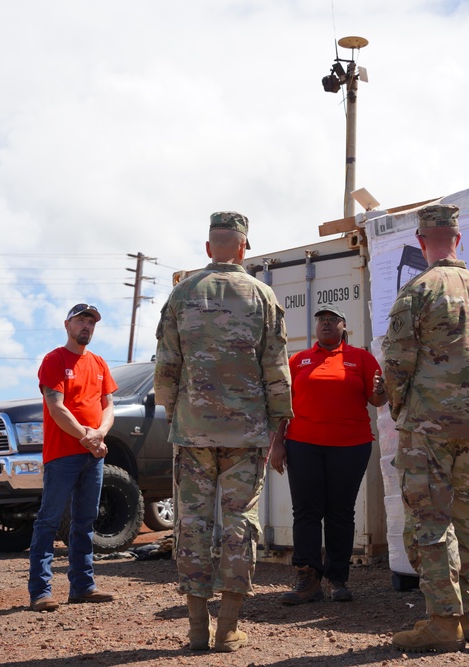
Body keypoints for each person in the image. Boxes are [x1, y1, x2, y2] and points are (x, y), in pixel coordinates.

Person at [154, 211, 292, 653]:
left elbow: (166, 369)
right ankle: (228, 628)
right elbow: (276, 370)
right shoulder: (262, 296)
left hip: (192, 432)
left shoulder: (182, 294)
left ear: (209, 247)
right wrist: (278, 426)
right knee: (239, 525)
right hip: (246, 433)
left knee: (192, 524)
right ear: (245, 247)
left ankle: (196, 628)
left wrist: (178, 416)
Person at [381, 203, 469, 653]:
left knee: (429, 521)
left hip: (428, 424)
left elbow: (396, 363)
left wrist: (400, 408)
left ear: (420, 239)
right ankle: (463, 615)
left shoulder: (420, 289)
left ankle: (442, 622)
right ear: (458, 238)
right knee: (461, 519)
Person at [269, 304, 387, 605]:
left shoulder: (361, 358)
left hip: (350, 446)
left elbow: (376, 399)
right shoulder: (298, 360)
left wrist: (382, 390)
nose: (326, 324)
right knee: (306, 512)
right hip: (303, 445)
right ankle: (307, 580)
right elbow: (284, 405)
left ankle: (338, 579)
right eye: (321, 319)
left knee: (340, 513)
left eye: (332, 320)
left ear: (343, 326)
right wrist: (278, 443)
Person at [28, 303, 118, 612]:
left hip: (93, 454)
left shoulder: (99, 363)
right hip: (63, 454)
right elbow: (56, 407)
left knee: (85, 521)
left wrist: (99, 434)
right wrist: (87, 436)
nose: (87, 326)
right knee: (49, 521)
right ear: (67, 324)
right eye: (81, 320)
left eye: (91, 322)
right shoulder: (54, 360)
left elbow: (109, 408)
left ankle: (83, 586)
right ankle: (40, 591)